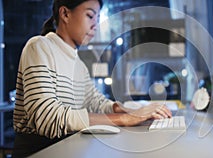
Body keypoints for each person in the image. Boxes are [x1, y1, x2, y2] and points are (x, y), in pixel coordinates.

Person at [12, 0, 172, 157]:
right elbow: (47, 117)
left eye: (97, 18)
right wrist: (125, 118)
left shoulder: (79, 65)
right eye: (90, 16)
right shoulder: (39, 47)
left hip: (69, 148)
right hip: (39, 151)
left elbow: (96, 102)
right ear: (65, 14)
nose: (95, 25)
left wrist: (132, 111)